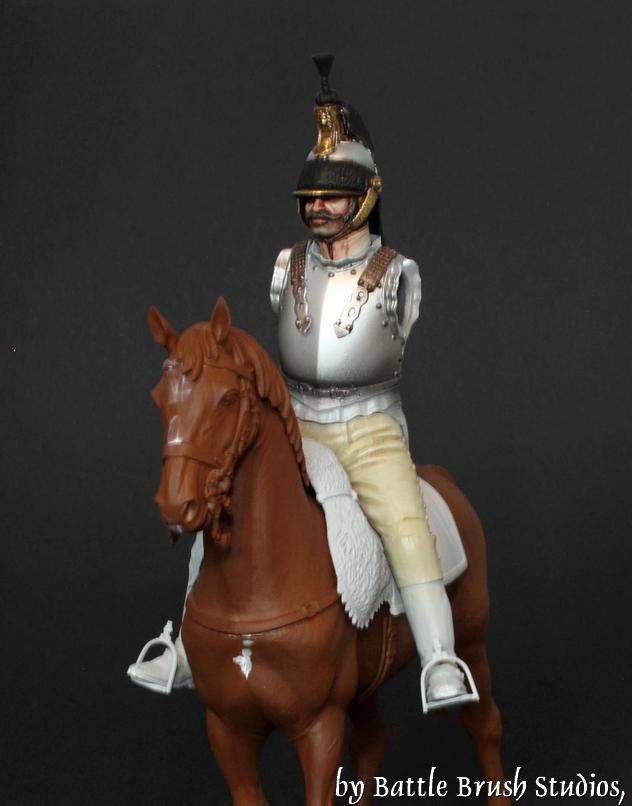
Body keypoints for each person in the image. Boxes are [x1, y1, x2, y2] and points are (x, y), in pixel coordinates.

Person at [128, 54, 473, 710]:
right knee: (223, 502)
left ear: (366, 195)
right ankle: (186, 647)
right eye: (310, 198)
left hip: (369, 426)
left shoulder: (397, 274)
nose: (318, 207)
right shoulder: (286, 265)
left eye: (331, 196)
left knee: (403, 519)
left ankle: (439, 658)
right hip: (296, 419)